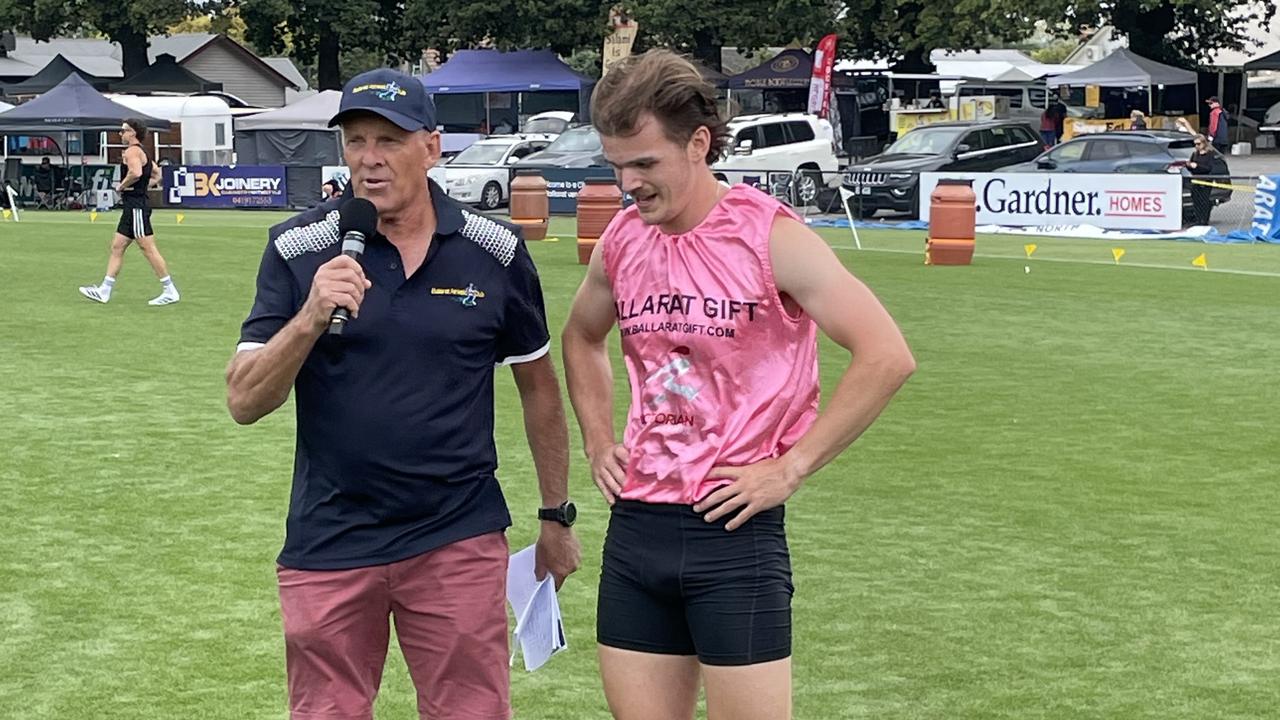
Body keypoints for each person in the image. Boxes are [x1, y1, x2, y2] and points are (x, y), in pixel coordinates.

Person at [560, 50, 916, 720]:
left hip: (734, 534)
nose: (626, 183)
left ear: (697, 144)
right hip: (636, 531)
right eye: (615, 165)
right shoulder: (623, 240)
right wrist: (597, 439)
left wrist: (792, 466)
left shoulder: (769, 237)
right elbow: (580, 336)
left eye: (644, 163)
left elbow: (886, 355)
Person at [224, 68, 581, 720]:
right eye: (356, 140)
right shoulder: (299, 249)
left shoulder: (494, 252)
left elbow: (540, 391)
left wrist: (556, 516)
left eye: (388, 140)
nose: (368, 159)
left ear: (432, 146)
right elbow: (244, 400)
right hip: (330, 541)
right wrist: (308, 318)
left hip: (457, 536)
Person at [77, 119, 179, 305]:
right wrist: (141, 187)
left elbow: (136, 173)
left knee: (147, 248)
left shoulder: (132, 151)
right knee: (117, 246)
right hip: (133, 205)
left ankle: (169, 290)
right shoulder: (142, 151)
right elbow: (157, 175)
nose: (120, 134)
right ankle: (104, 290)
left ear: (133, 133)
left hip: (136, 206)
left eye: (124, 131)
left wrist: (122, 186)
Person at [1186, 133, 1228, 226]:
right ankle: (1198, 220)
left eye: (1198, 144)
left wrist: (1197, 166)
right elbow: (1192, 168)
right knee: (1196, 202)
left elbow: (1208, 168)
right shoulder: (1195, 154)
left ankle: (1204, 221)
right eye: (1195, 144)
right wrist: (1189, 166)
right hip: (1196, 180)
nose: (1197, 146)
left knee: (1205, 203)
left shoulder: (1210, 154)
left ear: (1204, 143)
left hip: (1206, 181)